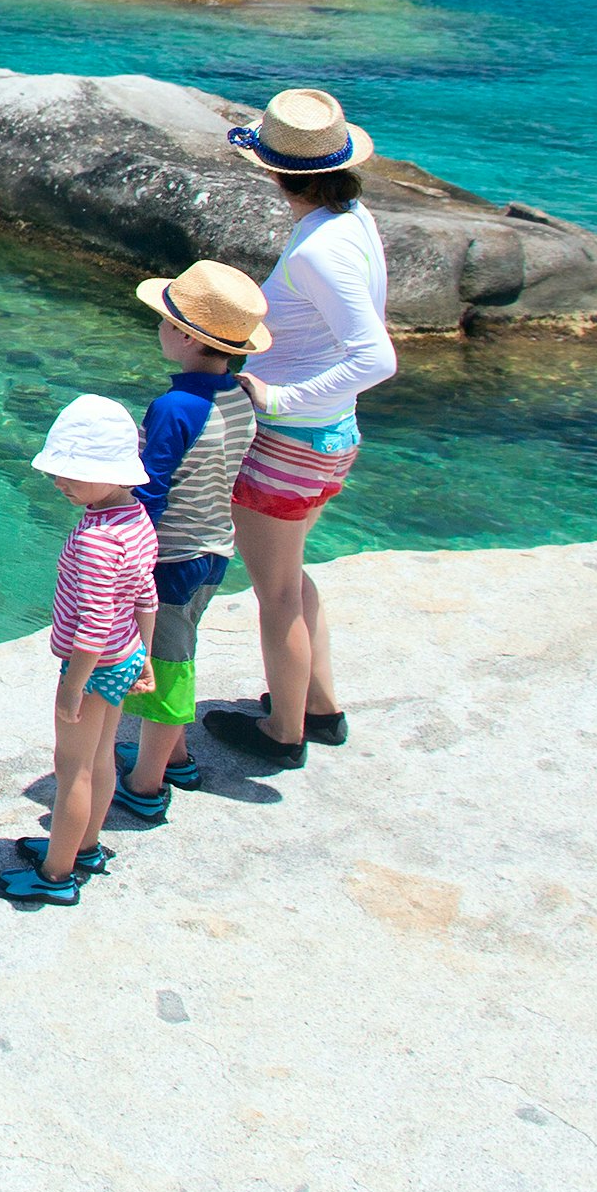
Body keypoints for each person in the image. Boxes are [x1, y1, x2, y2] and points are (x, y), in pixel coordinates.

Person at [206, 88, 395, 770]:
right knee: (291, 576)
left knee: (275, 591)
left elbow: (376, 356)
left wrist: (280, 399)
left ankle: (283, 733)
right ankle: (320, 705)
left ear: (276, 170)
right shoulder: (353, 217)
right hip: (329, 436)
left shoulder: (318, 248)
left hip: (292, 441)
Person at [113, 259, 266, 822]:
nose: (158, 328)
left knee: (166, 667)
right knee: (180, 649)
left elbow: (150, 491)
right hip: (213, 551)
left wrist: (126, 554)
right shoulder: (239, 395)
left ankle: (147, 784)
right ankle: (172, 756)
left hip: (170, 556)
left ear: (183, 335)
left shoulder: (175, 406)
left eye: (162, 320)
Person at [0, 395, 158, 908]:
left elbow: (94, 623)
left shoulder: (95, 539)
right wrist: (146, 656)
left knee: (73, 771)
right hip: (125, 655)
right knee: (101, 756)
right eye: (58, 474)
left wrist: (71, 686)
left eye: (75, 474)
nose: (61, 483)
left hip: (93, 667)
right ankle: (84, 846)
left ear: (113, 472)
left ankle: (56, 873)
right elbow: (145, 597)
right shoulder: (136, 518)